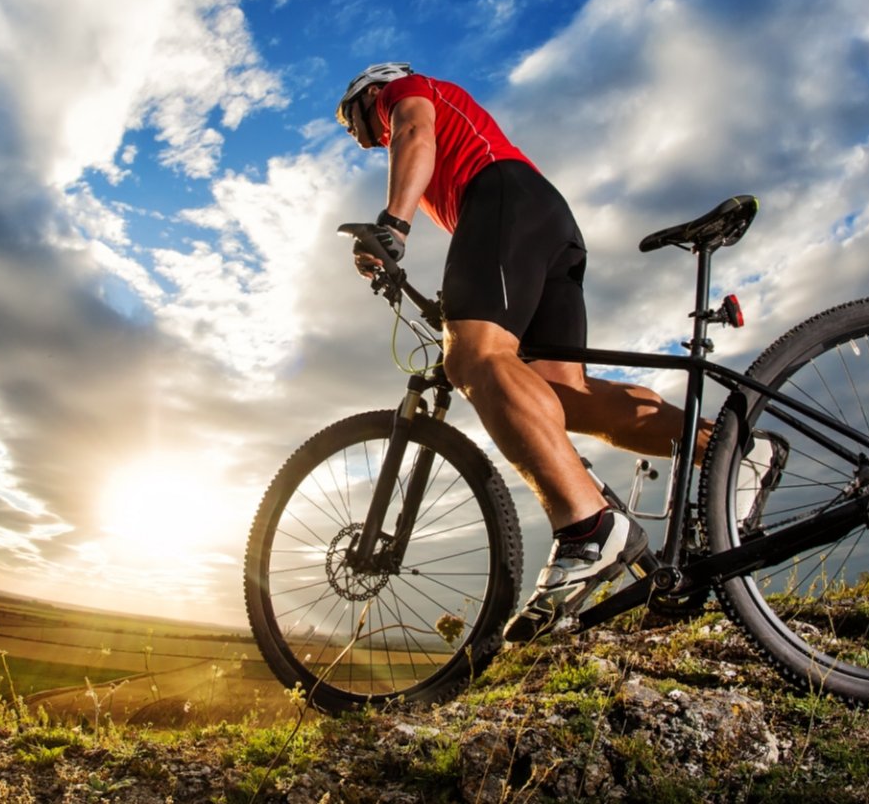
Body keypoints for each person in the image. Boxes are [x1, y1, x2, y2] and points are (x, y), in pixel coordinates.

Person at [335, 62, 784, 641]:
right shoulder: (444, 135)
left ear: (370, 93)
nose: (351, 131)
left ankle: (587, 527)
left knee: (472, 357)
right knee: (566, 395)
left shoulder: (402, 96)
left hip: (503, 196)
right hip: (545, 219)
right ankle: (734, 455)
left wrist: (394, 225)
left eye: (348, 117)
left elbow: (417, 131)